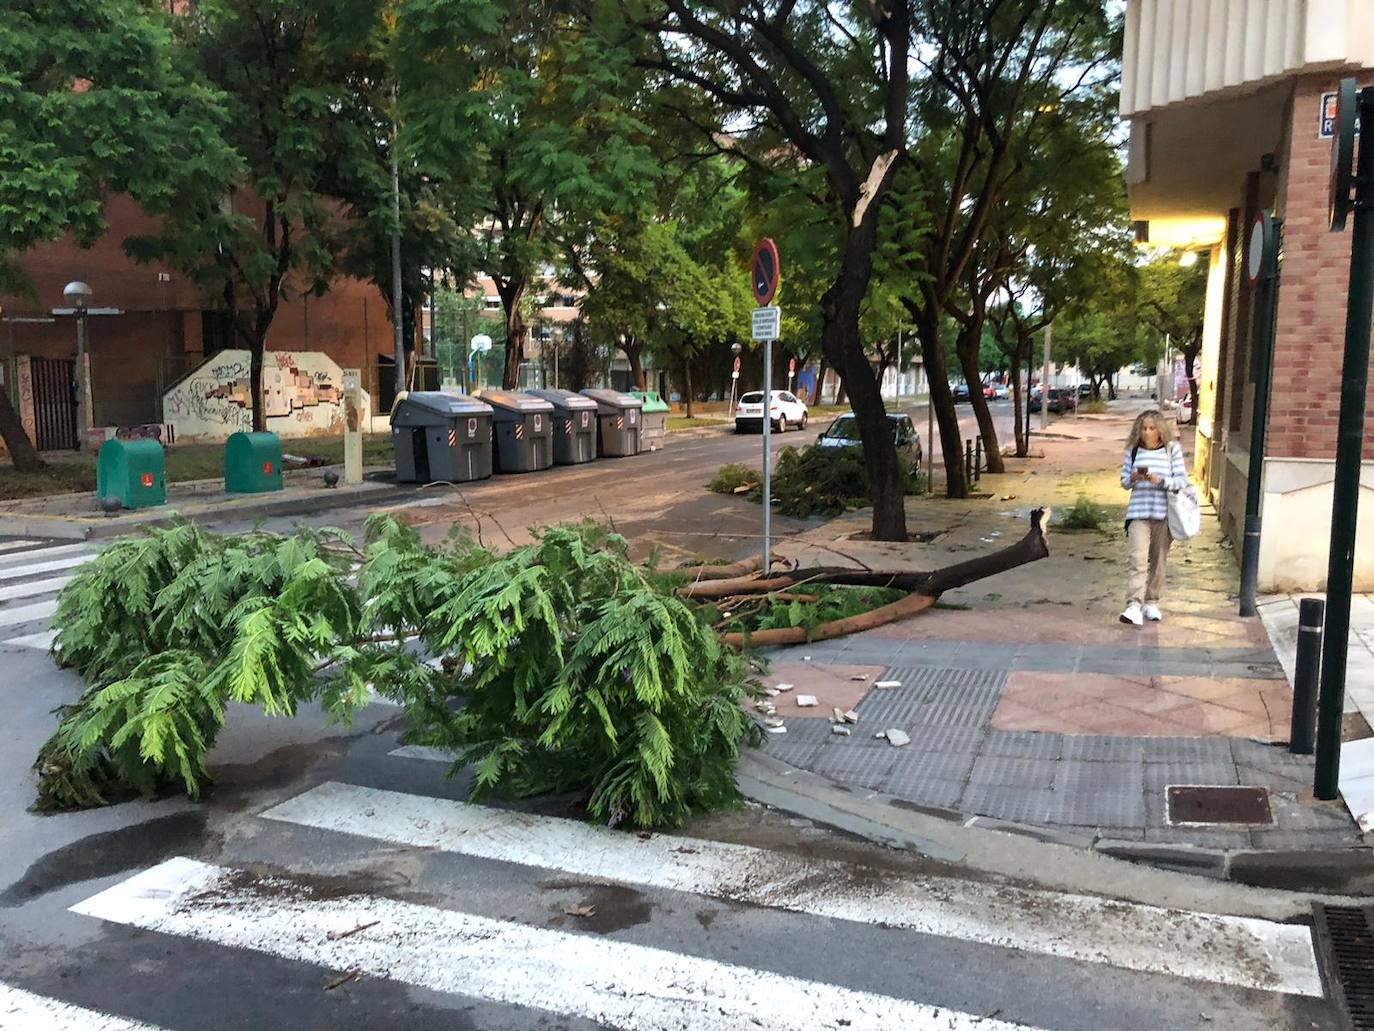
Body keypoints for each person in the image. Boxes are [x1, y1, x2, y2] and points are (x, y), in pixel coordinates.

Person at [1119, 409, 1188, 626]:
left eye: (1151, 428)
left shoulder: (1171, 450)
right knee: (1138, 559)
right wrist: (1133, 478)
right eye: (1143, 428)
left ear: (1160, 430)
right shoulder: (1132, 451)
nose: (1147, 432)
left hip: (1163, 513)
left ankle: (1152, 601)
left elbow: (1181, 482)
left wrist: (1160, 481)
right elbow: (1123, 482)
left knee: (1158, 560)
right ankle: (1133, 604)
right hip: (1138, 512)